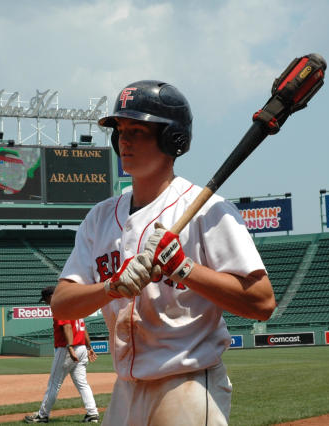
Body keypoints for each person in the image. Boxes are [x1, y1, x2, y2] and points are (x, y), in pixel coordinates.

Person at [50, 80, 276, 425]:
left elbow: (261, 303)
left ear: (173, 139)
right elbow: (62, 303)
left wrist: (183, 268)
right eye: (121, 130)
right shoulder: (99, 218)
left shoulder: (208, 211)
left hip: (187, 384)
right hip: (125, 388)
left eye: (137, 130)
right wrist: (111, 286)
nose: (124, 140)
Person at [25, 286, 100, 423]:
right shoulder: (75, 306)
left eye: (46, 300)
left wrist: (70, 347)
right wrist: (89, 347)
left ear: (51, 296)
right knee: (82, 383)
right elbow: (83, 329)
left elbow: (66, 327)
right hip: (82, 347)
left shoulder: (60, 307)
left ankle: (42, 415)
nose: (47, 303)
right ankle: (92, 413)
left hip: (67, 349)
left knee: (54, 384)